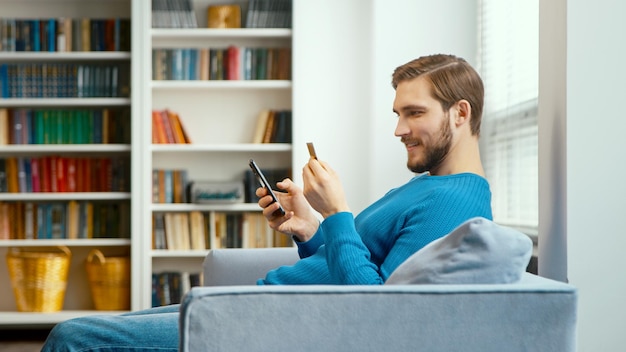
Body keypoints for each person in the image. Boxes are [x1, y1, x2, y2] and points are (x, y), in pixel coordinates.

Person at [41, 53, 493, 351]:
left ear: (460, 113)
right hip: (261, 302)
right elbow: (352, 268)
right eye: (397, 114)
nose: (398, 130)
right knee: (106, 325)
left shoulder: (455, 202)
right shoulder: (430, 187)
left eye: (414, 113)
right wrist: (311, 227)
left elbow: (376, 310)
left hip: (270, 321)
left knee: (74, 337)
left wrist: (339, 213)